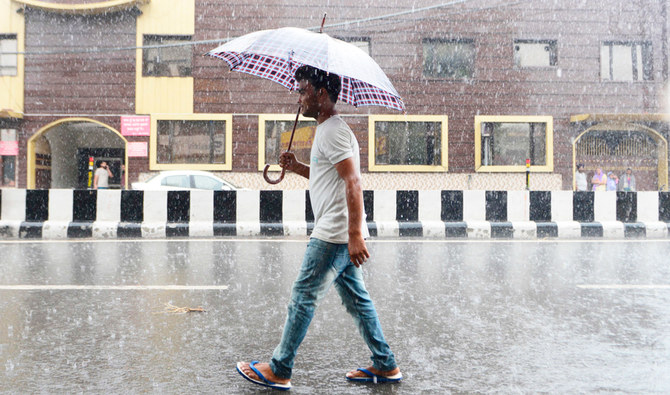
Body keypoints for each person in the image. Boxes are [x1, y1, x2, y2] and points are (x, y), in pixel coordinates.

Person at [236, 65, 401, 390]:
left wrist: (354, 235)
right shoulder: (327, 130)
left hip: (334, 232)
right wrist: (297, 167)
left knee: (302, 297)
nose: (298, 98)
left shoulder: (335, 131)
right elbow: (329, 178)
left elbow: (352, 181)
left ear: (321, 94)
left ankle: (280, 368)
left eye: (302, 91)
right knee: (358, 301)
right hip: (340, 231)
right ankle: (385, 365)